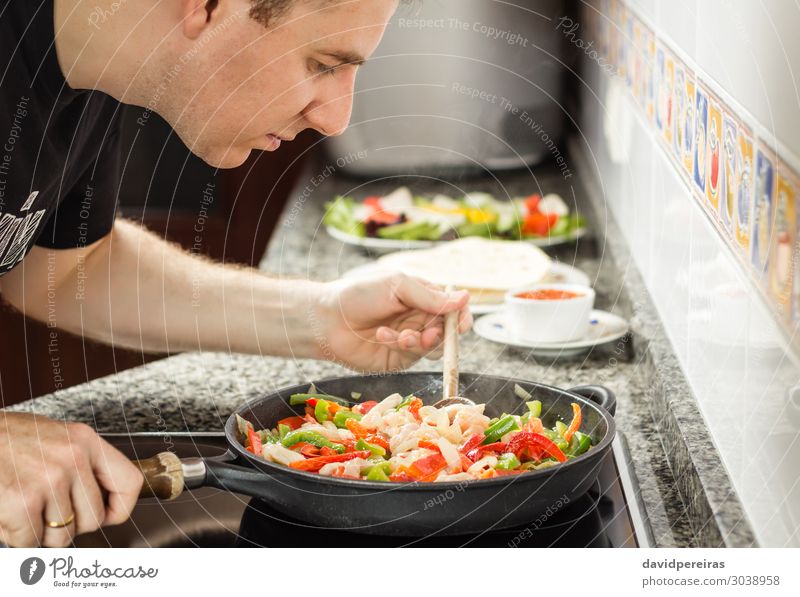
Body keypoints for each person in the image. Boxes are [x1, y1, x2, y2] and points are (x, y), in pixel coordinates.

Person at [0, 0, 472, 547]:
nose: (336, 118)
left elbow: (61, 269)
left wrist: (320, 317)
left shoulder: (89, 71)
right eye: (323, 64)